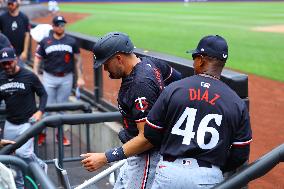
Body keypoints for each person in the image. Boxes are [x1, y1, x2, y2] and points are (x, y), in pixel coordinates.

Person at [143, 35, 252, 189]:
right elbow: (240, 154)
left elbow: (150, 132)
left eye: (194, 58)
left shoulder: (174, 89)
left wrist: (171, 145)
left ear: (201, 60)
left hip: (169, 172)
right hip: (207, 177)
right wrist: (217, 166)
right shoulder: (236, 102)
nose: (193, 62)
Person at [81, 31, 182, 189]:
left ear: (119, 58)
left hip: (146, 157)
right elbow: (179, 81)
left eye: (106, 64)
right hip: (137, 153)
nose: (105, 70)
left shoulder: (140, 85)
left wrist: (105, 157)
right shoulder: (151, 63)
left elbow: (147, 138)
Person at [33, 15, 85, 146]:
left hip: (66, 78)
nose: (61, 27)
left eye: (63, 24)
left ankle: (59, 135)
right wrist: (35, 74)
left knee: (62, 109)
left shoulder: (71, 41)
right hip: (49, 77)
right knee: (46, 108)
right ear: (53, 26)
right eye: (58, 24)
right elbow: (38, 58)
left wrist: (80, 77)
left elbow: (78, 59)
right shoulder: (45, 41)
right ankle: (42, 134)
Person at [0, 47, 48, 189]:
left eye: (9, 62)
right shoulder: (1, 78)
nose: (7, 66)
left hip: (27, 123)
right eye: (4, 63)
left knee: (23, 152)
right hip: (10, 123)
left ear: (15, 60)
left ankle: (40, 166)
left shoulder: (29, 75)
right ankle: (20, 185)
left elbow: (43, 94)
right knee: (11, 157)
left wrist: (40, 112)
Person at [0, 0, 30, 67]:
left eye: (12, 4)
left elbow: (27, 35)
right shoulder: (2, 17)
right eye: (8, 4)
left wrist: (25, 51)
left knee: (19, 74)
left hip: (20, 54)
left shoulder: (24, 17)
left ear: (17, 3)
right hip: (5, 53)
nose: (10, 6)